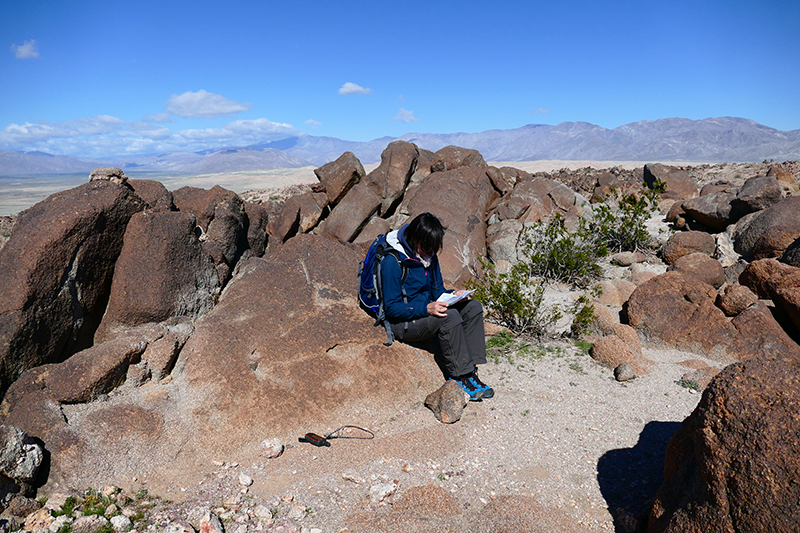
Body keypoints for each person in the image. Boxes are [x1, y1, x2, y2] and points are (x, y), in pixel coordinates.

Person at [380, 212, 494, 401]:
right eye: (426, 247)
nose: (430, 252)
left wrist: (453, 296)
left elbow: (437, 290)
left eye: (433, 248)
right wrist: (427, 309)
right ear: (414, 239)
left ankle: (470, 371)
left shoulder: (428, 255)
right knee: (450, 318)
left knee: (473, 307)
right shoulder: (392, 262)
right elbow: (391, 308)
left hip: (425, 311)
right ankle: (459, 376)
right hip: (404, 321)